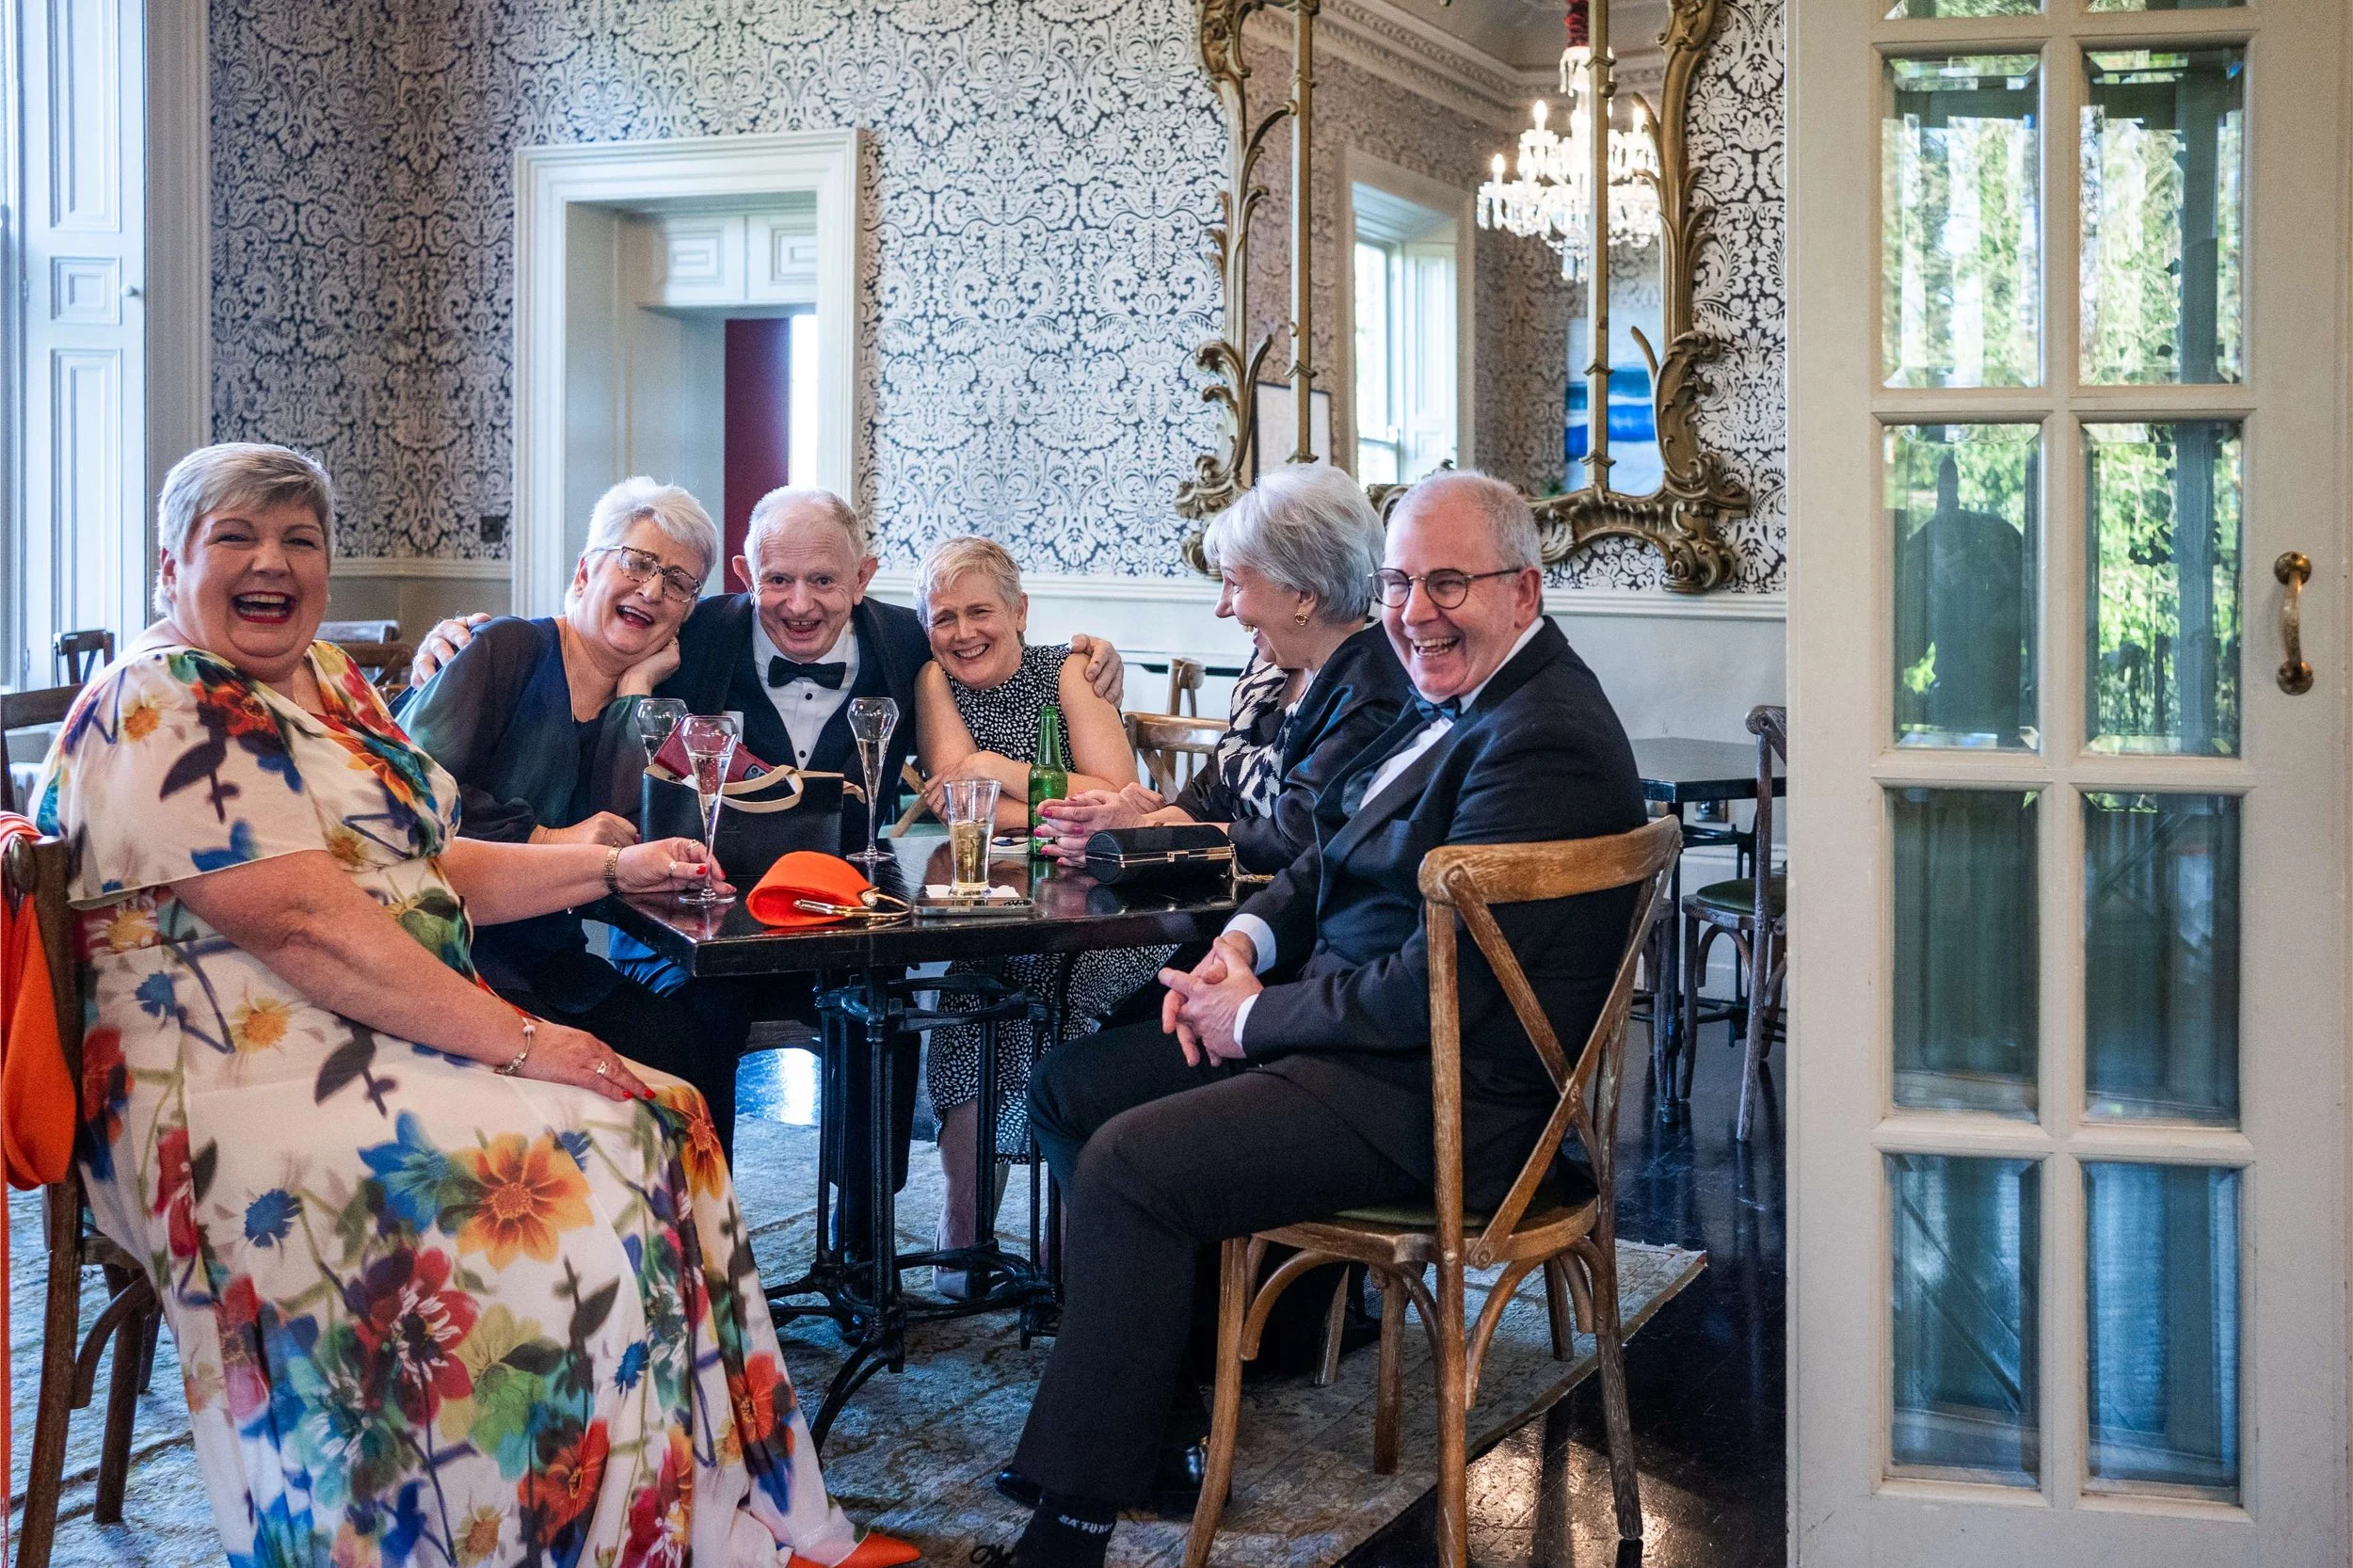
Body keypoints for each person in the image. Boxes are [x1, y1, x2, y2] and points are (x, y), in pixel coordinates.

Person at [31, 443, 915, 1568]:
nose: (273, 563)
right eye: (237, 540)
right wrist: (531, 1039)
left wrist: (610, 871)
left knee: (664, 1115)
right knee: (546, 1188)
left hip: (369, 1029)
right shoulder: (159, 701)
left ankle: (681, 1518)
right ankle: (493, 1533)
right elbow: (308, 927)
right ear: (171, 567)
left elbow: (431, 864)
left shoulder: (332, 685)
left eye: (300, 540)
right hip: (228, 1073)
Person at [986, 472, 1647, 1568]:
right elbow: (1329, 858)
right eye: (1398, 583)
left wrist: (1254, 1021)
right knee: (1072, 1087)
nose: (1415, 611)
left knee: (1131, 1166)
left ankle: (1069, 1527)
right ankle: (1154, 1409)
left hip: (1448, 1097)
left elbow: (1442, 988)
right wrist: (1238, 948)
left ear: (1525, 590)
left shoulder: (1545, 737)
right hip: (1366, 1048)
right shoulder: (1463, 696)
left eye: (1448, 583)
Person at [406, 489, 1130, 1256]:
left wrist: (1089, 655)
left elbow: (993, 658)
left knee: (876, 1007)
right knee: (695, 1017)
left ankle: (863, 1244)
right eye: (778, 580)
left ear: (862, 577)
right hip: (690, 925)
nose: (799, 604)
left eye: (824, 581)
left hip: (841, 921)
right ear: (748, 574)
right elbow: (573, 681)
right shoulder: (695, 629)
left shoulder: (907, 643)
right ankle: (705, 1234)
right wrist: (452, 637)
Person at [401, 475, 759, 1160]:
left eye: (679, 583)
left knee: (688, 1048)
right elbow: (403, 799)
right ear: (585, 569)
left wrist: (634, 689)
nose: (653, 591)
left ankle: (695, 1253)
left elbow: (631, 829)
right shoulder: (504, 649)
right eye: (638, 562)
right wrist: (548, 839)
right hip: (448, 960)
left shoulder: (652, 706)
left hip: (551, 964)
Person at [910, 536, 1164, 1294]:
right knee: (972, 989)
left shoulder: (1068, 672)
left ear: (1019, 611)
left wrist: (998, 772)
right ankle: (964, 1238)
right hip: (1003, 911)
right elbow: (962, 805)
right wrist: (1007, 790)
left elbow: (1113, 799)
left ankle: (1071, 1240)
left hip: (1107, 914)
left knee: (1061, 994)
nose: (963, 633)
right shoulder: (935, 679)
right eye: (944, 617)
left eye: (981, 610)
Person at [1033, 460, 1412, 874]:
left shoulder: (1372, 685)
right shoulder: (1271, 671)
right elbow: (1209, 796)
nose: (1222, 607)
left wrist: (1146, 832)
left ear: (1304, 594)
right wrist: (1136, 819)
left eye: (1236, 583)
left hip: (1296, 921)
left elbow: (1294, 841)